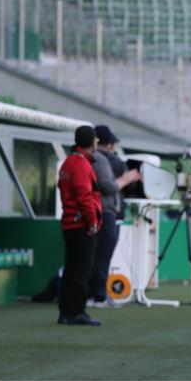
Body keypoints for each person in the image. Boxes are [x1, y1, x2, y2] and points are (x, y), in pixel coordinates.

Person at [87, 125, 141, 308]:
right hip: (104, 212)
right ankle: (98, 297)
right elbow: (108, 187)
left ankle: (95, 295)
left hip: (98, 211)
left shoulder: (91, 158)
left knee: (97, 257)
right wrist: (127, 178)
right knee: (101, 257)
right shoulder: (100, 159)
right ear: (109, 144)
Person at [57, 125, 102, 326]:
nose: (97, 142)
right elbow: (85, 197)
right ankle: (77, 312)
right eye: (96, 139)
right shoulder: (81, 165)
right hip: (80, 225)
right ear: (92, 142)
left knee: (71, 270)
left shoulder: (69, 162)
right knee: (81, 271)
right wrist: (92, 222)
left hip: (70, 223)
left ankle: (66, 312)